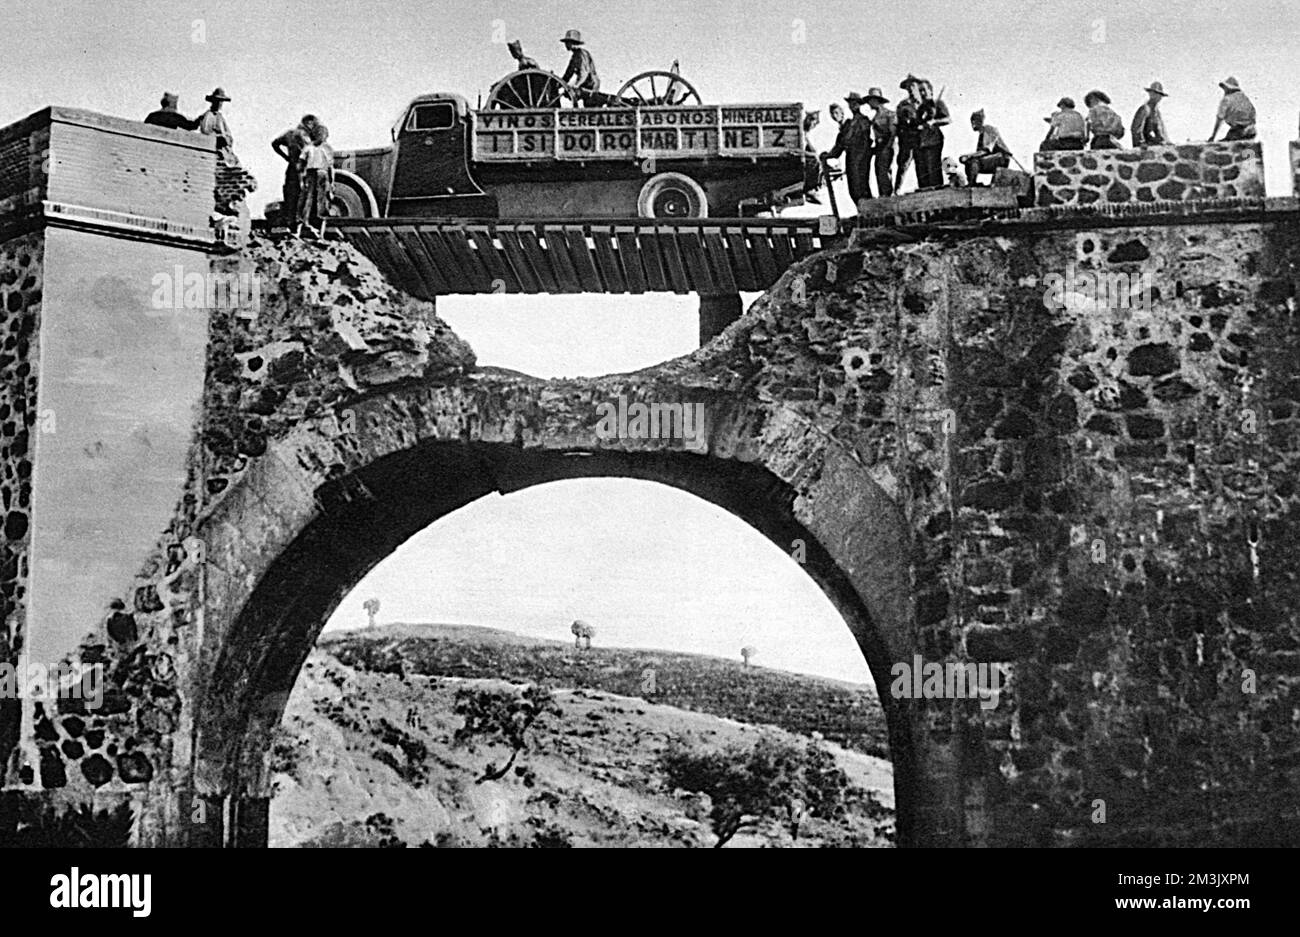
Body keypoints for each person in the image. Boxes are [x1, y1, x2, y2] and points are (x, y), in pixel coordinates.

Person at [822, 91, 873, 204]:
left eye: (855, 103)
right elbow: (840, 145)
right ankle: (862, 212)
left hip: (860, 157)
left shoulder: (863, 121)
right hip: (851, 157)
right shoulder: (849, 124)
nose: (852, 106)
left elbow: (865, 141)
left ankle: (868, 212)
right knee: (853, 188)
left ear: (859, 105)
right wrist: (829, 155)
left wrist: (861, 157)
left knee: (861, 186)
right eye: (850, 103)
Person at [272, 115, 319, 228]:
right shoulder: (305, 137)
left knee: (290, 194)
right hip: (302, 168)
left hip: (291, 167)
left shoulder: (289, 133)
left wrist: (286, 157)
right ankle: (300, 222)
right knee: (303, 194)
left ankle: (290, 221)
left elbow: (274, 143)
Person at [296, 122, 334, 238]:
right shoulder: (308, 148)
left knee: (321, 201)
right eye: (318, 134)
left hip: (322, 174)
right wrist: (302, 179)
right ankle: (303, 227)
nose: (321, 136)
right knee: (308, 200)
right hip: (310, 174)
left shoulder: (327, 148)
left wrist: (332, 183)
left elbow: (331, 167)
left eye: (323, 134)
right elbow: (300, 165)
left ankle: (320, 231)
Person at [913, 79, 950, 189]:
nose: (922, 93)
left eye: (924, 90)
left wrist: (934, 122)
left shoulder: (938, 103)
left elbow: (948, 119)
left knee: (933, 170)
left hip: (933, 141)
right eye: (920, 91)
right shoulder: (920, 108)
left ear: (930, 91)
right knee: (922, 172)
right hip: (921, 142)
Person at [959, 110, 1012, 186]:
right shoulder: (981, 134)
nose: (972, 124)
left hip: (1001, 158)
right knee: (969, 162)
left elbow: (986, 150)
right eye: (972, 122)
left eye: (974, 122)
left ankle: (972, 184)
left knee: (974, 162)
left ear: (980, 122)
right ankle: (972, 183)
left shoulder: (989, 130)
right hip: (993, 158)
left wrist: (968, 156)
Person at [865, 87, 896, 197]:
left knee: (884, 171)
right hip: (879, 147)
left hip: (887, 146)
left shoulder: (889, 114)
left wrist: (888, 147)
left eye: (871, 100)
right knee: (879, 171)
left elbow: (892, 132)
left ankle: (887, 195)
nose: (869, 103)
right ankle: (883, 195)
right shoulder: (875, 116)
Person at [894, 74, 923, 192]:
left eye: (912, 85)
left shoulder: (925, 103)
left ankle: (923, 189)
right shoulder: (903, 105)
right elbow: (899, 122)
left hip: (922, 138)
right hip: (907, 139)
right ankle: (897, 190)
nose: (910, 88)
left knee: (922, 165)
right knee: (903, 165)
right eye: (908, 86)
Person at [196, 87, 237, 162]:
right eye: (217, 101)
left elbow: (229, 135)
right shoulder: (209, 115)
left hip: (225, 150)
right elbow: (205, 132)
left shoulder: (220, 118)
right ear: (213, 101)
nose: (219, 103)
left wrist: (226, 139)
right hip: (214, 150)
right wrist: (218, 138)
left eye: (221, 101)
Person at [1209, 76, 1256, 141]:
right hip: (1251, 130)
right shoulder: (1244, 98)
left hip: (1237, 132)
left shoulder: (1226, 100)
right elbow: (1253, 114)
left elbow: (1219, 118)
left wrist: (1213, 136)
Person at [559, 29, 599, 105]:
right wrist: (559, 84)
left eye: (567, 42)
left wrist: (576, 85)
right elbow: (568, 74)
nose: (566, 45)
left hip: (591, 85)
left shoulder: (582, 54)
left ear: (572, 43)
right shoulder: (574, 57)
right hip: (584, 84)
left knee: (590, 107)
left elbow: (584, 73)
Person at [1129, 81, 1169, 146]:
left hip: (1151, 143)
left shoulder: (1156, 113)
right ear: (1150, 94)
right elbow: (1135, 129)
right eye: (1155, 93)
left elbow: (1159, 131)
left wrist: (1164, 141)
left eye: (1160, 95)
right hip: (1142, 146)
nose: (1158, 97)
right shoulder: (1144, 109)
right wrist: (1141, 143)